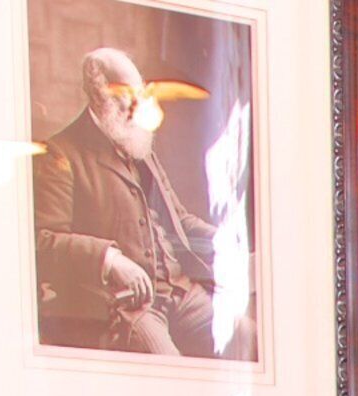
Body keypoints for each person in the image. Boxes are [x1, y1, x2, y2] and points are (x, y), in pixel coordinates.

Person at [34, 47, 249, 359]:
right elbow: (43, 241)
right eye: (125, 97)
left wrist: (229, 241)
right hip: (126, 304)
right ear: (98, 97)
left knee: (249, 340)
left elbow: (179, 220)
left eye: (139, 93)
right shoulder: (60, 153)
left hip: (181, 293)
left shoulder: (138, 149)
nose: (137, 106)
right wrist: (109, 259)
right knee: (169, 373)